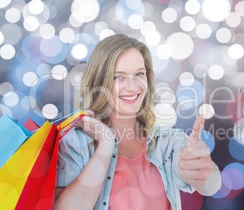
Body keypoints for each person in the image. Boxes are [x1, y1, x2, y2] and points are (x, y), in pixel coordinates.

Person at [53, 34, 221, 210]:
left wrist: (205, 168)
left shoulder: (166, 141)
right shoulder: (74, 143)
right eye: (119, 76)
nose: (132, 86)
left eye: (139, 74)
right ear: (99, 81)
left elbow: (211, 185)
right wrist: (106, 144)